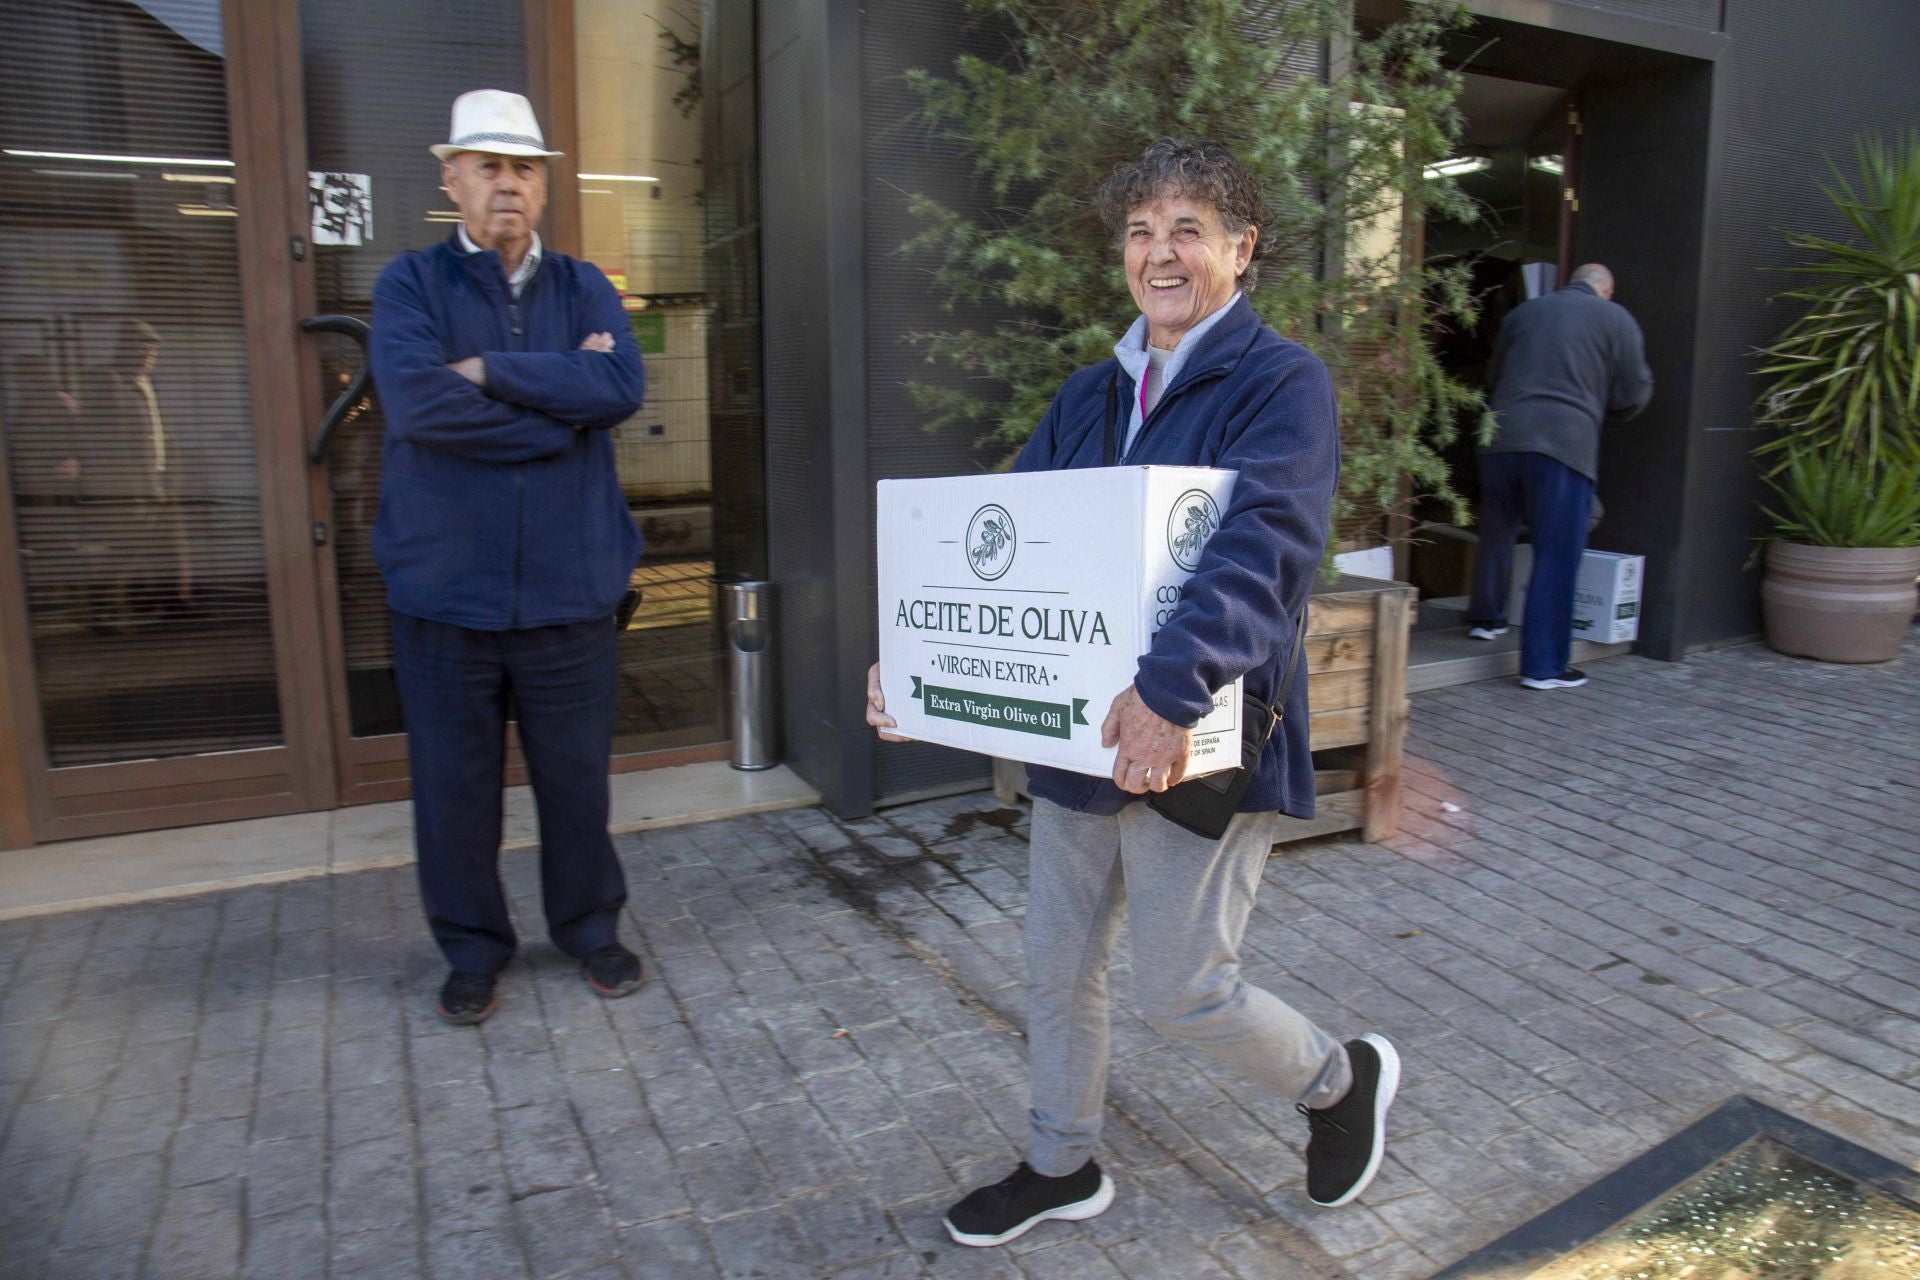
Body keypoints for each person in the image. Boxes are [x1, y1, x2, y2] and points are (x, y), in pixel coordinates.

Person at [866, 138, 1398, 1247]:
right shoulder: (1088, 394)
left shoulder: (1280, 382)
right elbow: (996, 544)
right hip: (1079, 736)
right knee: (1055, 968)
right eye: (1140, 230)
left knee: (1182, 988)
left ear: (1241, 250)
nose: (1160, 252)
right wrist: (922, 662)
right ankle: (1061, 1162)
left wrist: (1167, 689)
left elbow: (1263, 549)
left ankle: (1337, 1081)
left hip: (1200, 729)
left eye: (1188, 227)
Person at [369, 89, 648, 1025]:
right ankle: (473, 948)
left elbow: (619, 384)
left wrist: (488, 372)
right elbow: (414, 406)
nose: (507, 185)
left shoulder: (583, 286)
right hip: (444, 598)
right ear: (451, 177)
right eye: (488, 167)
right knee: (454, 792)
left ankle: (589, 929)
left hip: (570, 593)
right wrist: (557, 418)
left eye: (524, 169)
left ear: (543, 185)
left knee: (575, 782)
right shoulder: (411, 285)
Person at [1464, 263, 1653, 689]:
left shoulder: (1524, 314)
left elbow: (1494, 376)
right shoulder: (1615, 318)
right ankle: (1543, 666)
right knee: (1556, 553)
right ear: (1606, 290)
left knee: (1497, 531)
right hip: (1564, 445)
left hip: (1502, 435)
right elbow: (1634, 390)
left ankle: (1485, 619)